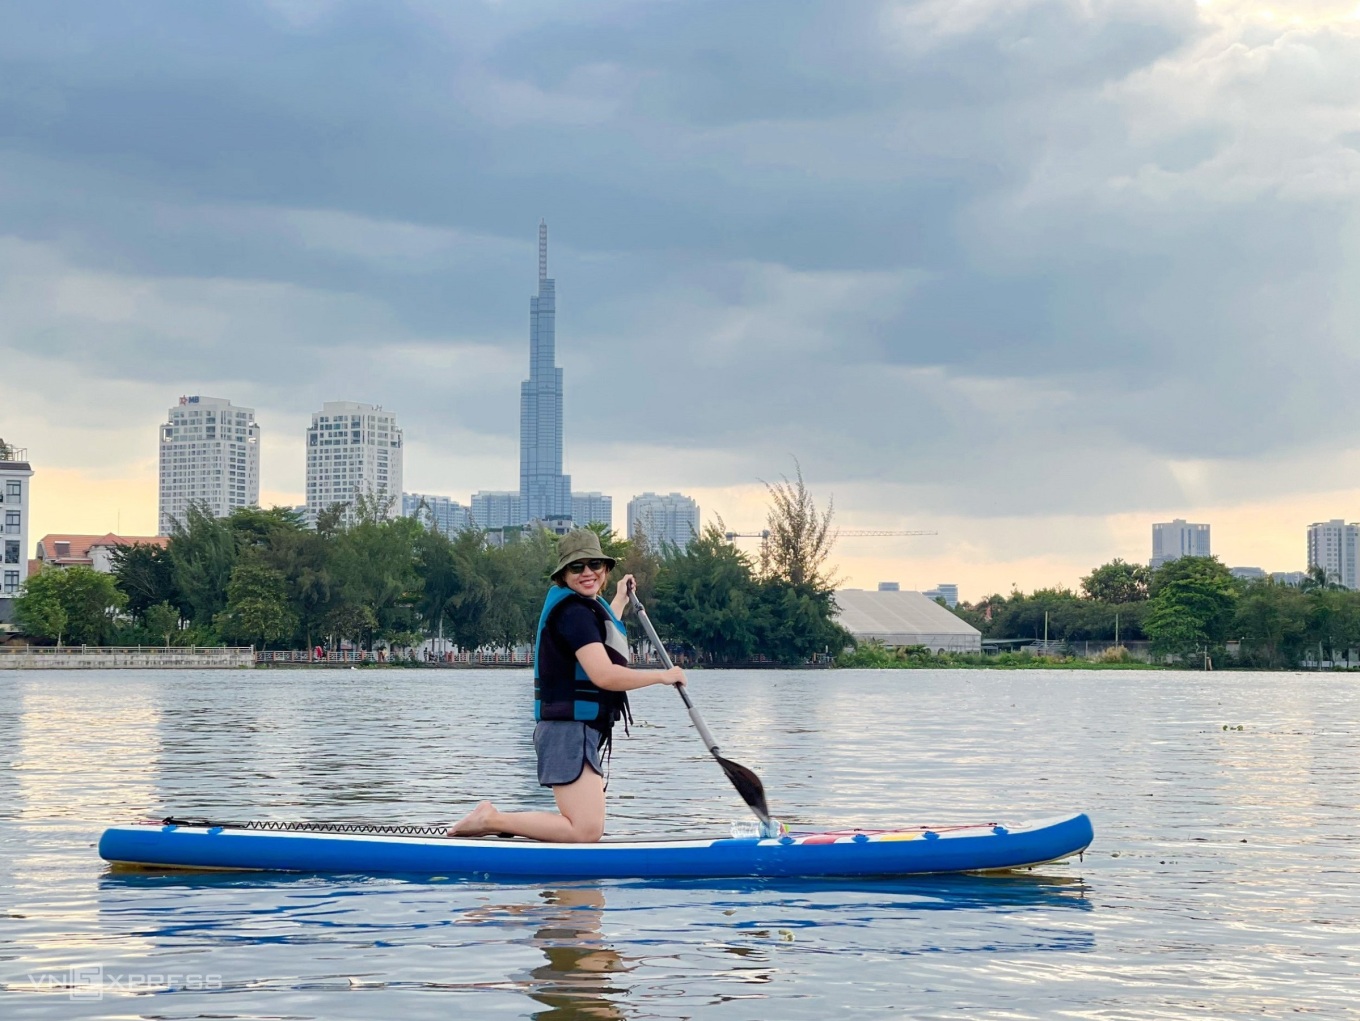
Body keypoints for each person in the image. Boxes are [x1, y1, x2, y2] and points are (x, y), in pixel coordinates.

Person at [448, 529, 686, 842]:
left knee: (586, 828)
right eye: (577, 567)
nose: (587, 572)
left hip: (577, 729)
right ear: (563, 574)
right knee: (585, 829)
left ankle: (497, 823)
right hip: (566, 730)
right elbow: (604, 675)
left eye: (594, 565)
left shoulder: (585, 610)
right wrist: (662, 676)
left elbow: (604, 633)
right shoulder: (574, 614)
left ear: (605, 570)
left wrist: (619, 598)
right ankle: (491, 819)